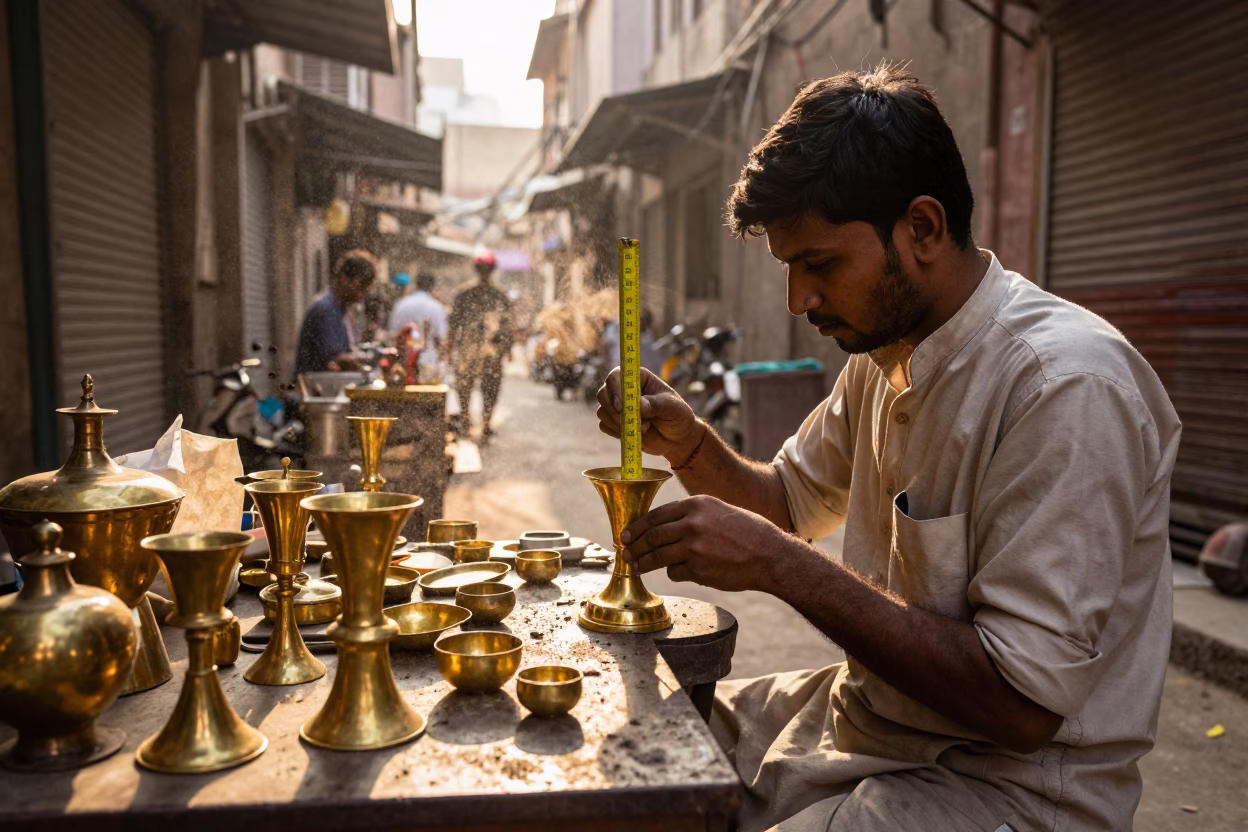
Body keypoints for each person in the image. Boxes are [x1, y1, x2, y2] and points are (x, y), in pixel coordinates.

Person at [596, 65, 1180, 832]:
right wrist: (695, 448)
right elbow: (789, 502)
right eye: (789, 268)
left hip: (1006, 786)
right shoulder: (884, 354)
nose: (797, 299)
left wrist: (778, 565)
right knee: (643, 736)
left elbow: (1023, 705)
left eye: (821, 264)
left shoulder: (1062, 386)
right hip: (873, 718)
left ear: (924, 229)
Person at [447, 250, 512, 441]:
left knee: (470, 386)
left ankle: (474, 422)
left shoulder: (465, 293)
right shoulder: (499, 294)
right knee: (487, 387)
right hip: (486, 351)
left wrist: (449, 350)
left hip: (476, 350)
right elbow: (508, 326)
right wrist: (508, 350)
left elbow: (453, 324)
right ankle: (481, 422)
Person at [294, 249, 376, 377]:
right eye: (361, 285)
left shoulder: (342, 309)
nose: (364, 292)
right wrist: (369, 357)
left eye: (367, 287)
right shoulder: (325, 309)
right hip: (315, 389)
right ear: (344, 279)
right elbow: (336, 359)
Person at [389, 271, 449, 382]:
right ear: (432, 286)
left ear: (416, 284)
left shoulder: (401, 304)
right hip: (428, 365)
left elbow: (393, 333)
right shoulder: (436, 307)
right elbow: (441, 338)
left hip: (402, 366)